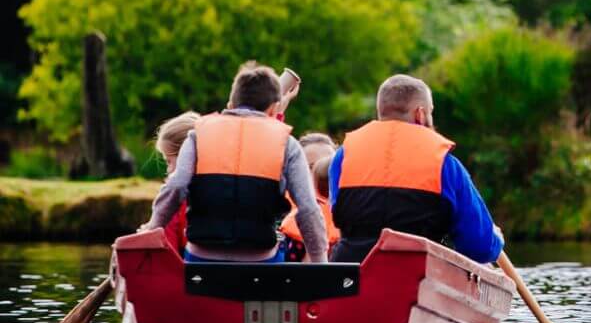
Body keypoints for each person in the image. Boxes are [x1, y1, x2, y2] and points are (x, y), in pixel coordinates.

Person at [145, 63, 328, 263]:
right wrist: (320, 260)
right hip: (260, 260)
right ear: (274, 110)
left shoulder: (197, 135)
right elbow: (308, 208)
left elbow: (176, 185)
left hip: (201, 258)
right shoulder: (288, 144)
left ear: (231, 105)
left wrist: (152, 228)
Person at [328, 74, 502, 265]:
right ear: (420, 114)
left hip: (353, 273)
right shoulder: (444, 162)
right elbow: (479, 248)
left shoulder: (343, 156)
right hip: (419, 273)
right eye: (430, 112)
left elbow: (338, 217)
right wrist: (495, 239)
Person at [280, 134, 341, 261]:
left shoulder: (353, 217)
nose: (321, 173)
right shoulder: (280, 213)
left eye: (328, 165)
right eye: (311, 167)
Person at [151, 111, 201, 251]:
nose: (168, 170)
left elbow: (166, 248)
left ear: (186, 155)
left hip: (189, 265)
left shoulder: (172, 203)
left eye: (169, 161)